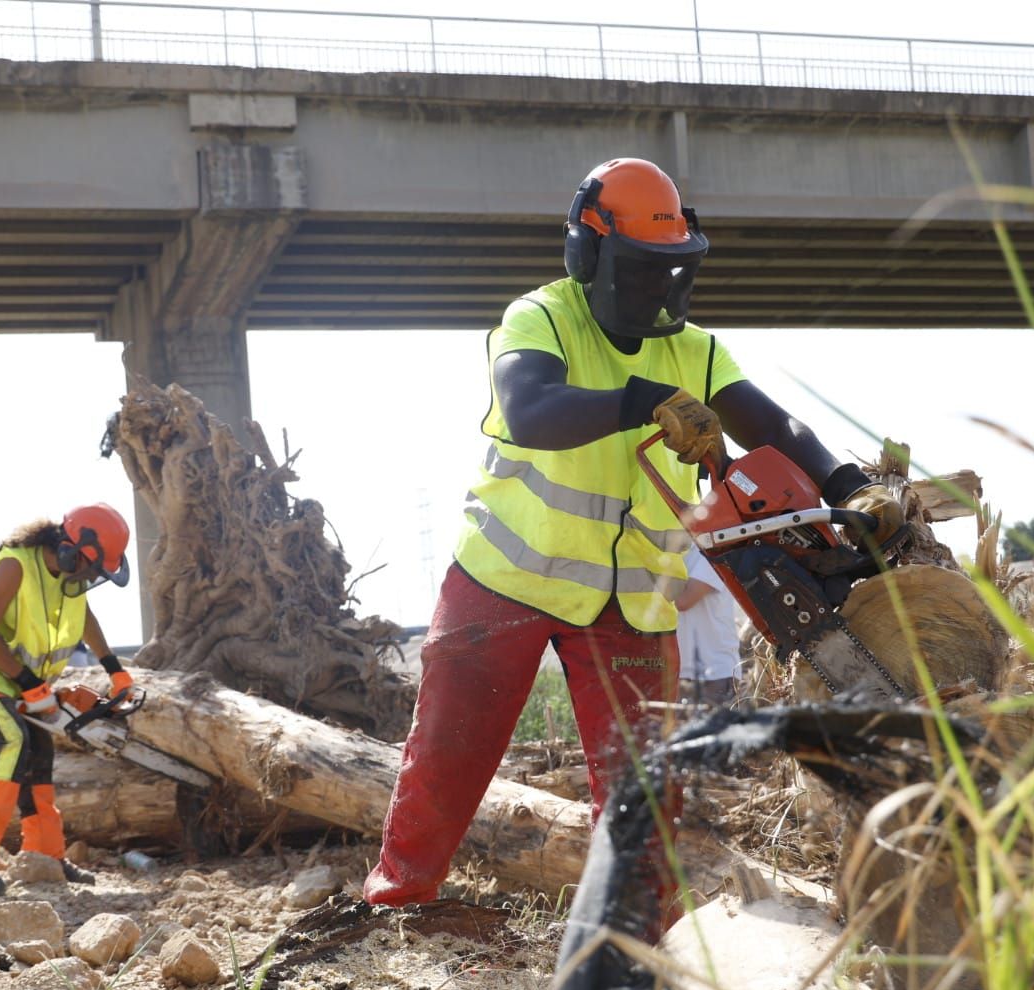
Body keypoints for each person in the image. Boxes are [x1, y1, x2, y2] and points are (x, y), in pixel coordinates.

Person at [363, 157, 903, 908]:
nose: (658, 289)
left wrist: (850, 485)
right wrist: (646, 401)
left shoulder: (696, 351)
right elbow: (531, 411)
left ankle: (637, 942)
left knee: (645, 795)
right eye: (642, 270)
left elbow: (773, 424)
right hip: (506, 578)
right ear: (591, 254)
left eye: (670, 270)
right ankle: (401, 902)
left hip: (632, 604)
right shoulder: (541, 319)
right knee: (448, 757)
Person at [0, 503, 135, 897]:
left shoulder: (68, 577)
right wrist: (29, 683)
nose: (89, 578)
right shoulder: (14, 566)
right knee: (12, 741)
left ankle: (44, 856)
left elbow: (84, 618)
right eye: (91, 568)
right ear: (69, 549)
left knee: (40, 748)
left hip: (16, 677)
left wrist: (114, 668)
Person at [675, 546, 741, 707]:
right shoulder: (681, 554)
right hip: (685, 672)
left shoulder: (710, 553)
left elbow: (683, 601)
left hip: (715, 673)